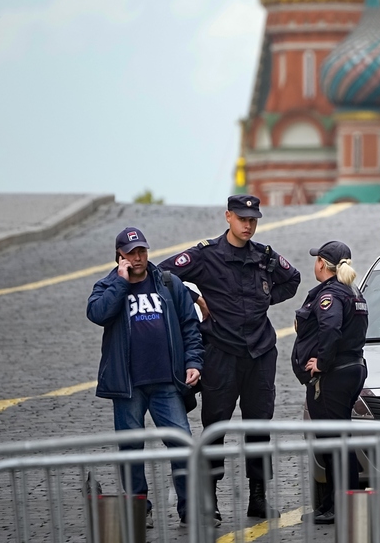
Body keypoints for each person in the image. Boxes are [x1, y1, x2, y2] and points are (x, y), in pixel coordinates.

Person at [158, 195, 300, 520]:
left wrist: (266, 298)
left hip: (260, 352)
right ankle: (211, 501)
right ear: (228, 217)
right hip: (220, 351)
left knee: (260, 425)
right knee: (215, 427)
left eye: (253, 219)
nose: (248, 224)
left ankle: (259, 497)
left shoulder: (264, 256)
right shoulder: (206, 255)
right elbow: (162, 274)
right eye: (242, 218)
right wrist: (196, 299)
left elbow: (292, 280)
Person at [86, 227, 204, 527]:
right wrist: (120, 283)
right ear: (120, 256)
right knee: (130, 450)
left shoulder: (167, 283)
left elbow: (190, 325)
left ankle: (189, 509)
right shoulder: (107, 286)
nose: (138, 257)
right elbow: (98, 314)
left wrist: (193, 362)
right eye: (131, 253)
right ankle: (140, 507)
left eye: (142, 251)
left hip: (166, 382)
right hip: (127, 386)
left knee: (182, 444)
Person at [290, 241, 368, 525]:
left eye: (317, 260)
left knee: (335, 442)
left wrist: (321, 362)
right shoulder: (352, 292)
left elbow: (331, 328)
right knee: (336, 439)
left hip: (333, 375)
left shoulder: (331, 295)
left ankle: (341, 506)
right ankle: (331, 505)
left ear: (322, 263)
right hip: (352, 369)